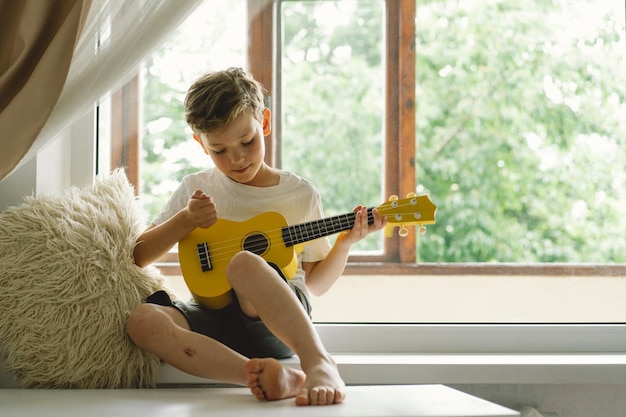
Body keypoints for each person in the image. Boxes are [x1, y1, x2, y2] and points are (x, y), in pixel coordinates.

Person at [125, 67, 386, 406]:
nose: (236, 157)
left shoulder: (299, 194)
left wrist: (345, 242)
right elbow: (140, 255)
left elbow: (316, 283)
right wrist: (185, 220)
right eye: (219, 149)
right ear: (200, 144)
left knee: (245, 263)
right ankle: (258, 375)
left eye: (247, 142)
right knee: (142, 321)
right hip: (215, 320)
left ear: (264, 123)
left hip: (275, 326)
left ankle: (318, 361)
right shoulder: (196, 189)